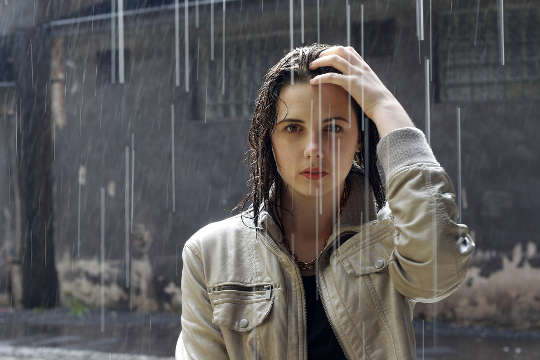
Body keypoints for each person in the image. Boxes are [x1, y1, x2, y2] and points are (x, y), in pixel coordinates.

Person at [175, 43, 476, 360]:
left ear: (359, 139)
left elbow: (440, 273)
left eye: (333, 127)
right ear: (269, 140)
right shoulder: (209, 253)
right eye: (293, 128)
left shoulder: (392, 237)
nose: (313, 149)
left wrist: (386, 107)